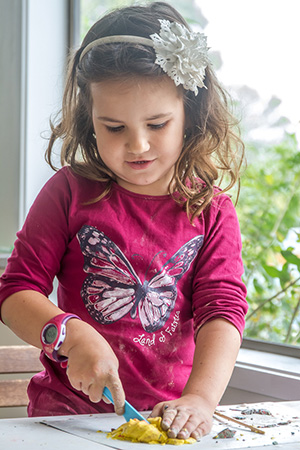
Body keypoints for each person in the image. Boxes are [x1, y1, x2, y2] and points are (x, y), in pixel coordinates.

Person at [0, 1, 248, 441]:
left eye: (157, 123)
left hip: (168, 421)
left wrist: (201, 399)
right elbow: (16, 290)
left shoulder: (211, 211)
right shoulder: (68, 192)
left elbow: (222, 310)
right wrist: (68, 332)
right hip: (65, 417)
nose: (137, 145)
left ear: (190, 113)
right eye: (113, 127)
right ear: (88, 119)